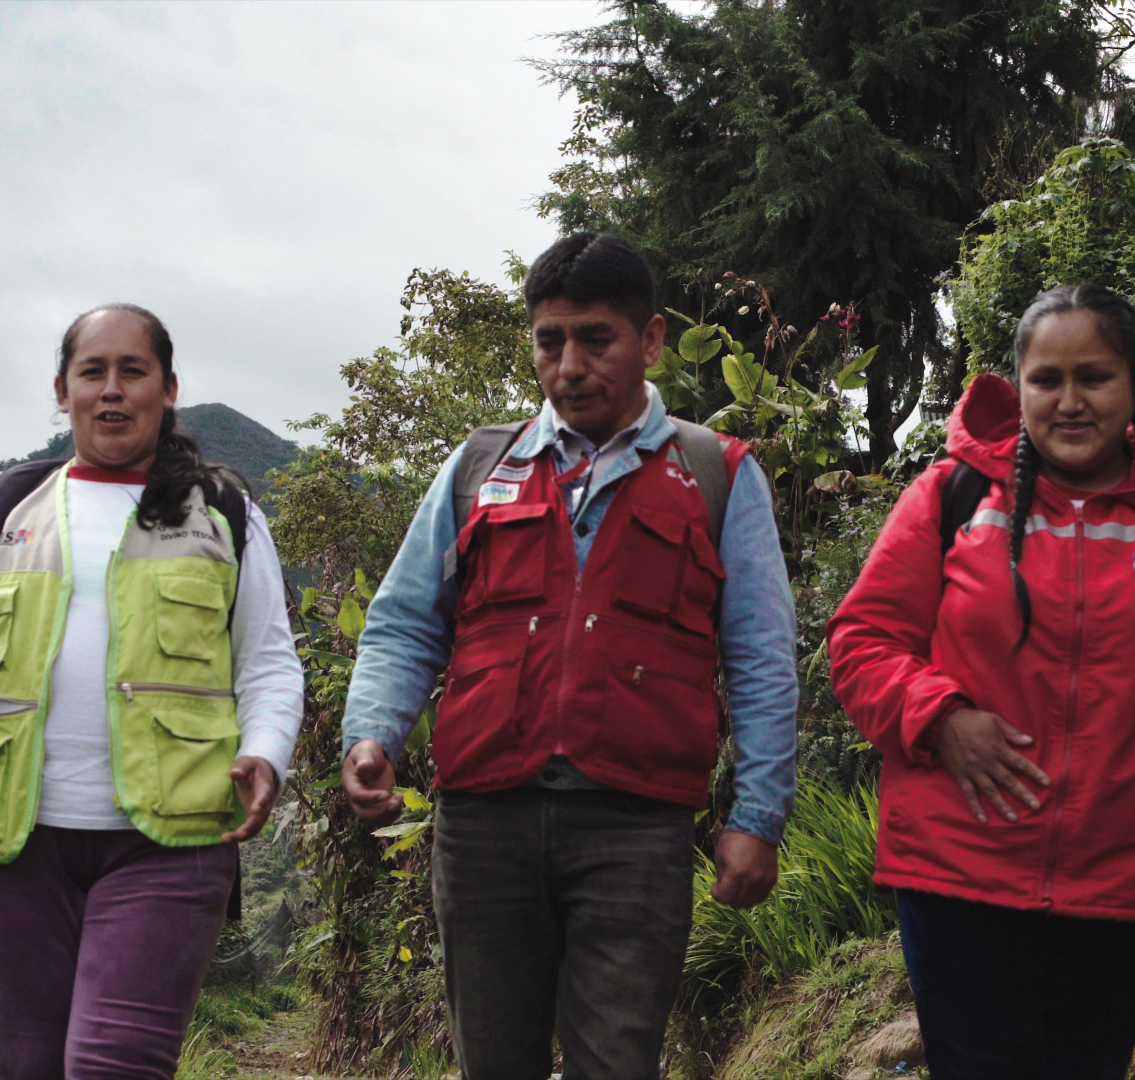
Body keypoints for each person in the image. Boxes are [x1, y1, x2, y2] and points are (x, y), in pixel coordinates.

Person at [340, 233, 799, 1078]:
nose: (569, 366)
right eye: (550, 342)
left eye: (596, 339)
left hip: (636, 827)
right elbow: (406, 622)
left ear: (651, 339)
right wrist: (372, 732)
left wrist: (755, 817)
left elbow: (763, 660)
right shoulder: (482, 466)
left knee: (619, 1065)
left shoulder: (716, 473)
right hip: (484, 825)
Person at [826, 284, 1135, 1079]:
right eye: (1047, 380)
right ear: (1020, 387)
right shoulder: (950, 500)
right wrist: (940, 718)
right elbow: (861, 643)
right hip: (959, 872)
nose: (1070, 402)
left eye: (1095, 378)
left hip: (1125, 883)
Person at [0, 303, 304, 1079]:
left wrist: (265, 755)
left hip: (171, 843)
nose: (112, 390)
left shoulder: (225, 514)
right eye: (92, 372)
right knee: (27, 1066)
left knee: (115, 1066)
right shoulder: (1, 508)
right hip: (14, 843)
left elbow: (269, 664)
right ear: (61, 390)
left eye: (132, 371)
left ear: (168, 389)